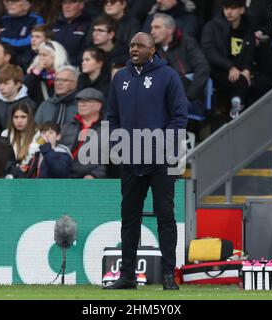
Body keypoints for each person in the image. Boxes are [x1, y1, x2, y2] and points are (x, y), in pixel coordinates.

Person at [105, 32, 188, 290]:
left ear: (152, 50)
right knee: (129, 218)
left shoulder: (168, 76)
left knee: (165, 216)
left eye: (140, 45)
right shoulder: (120, 78)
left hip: (162, 160)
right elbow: (112, 116)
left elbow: (179, 117)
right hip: (130, 160)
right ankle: (127, 276)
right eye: (131, 45)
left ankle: (167, 275)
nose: (134, 49)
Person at [201, 0, 272, 120]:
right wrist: (230, 66)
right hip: (218, 69)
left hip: (240, 68)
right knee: (241, 81)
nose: (228, 11)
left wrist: (247, 69)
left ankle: (260, 118)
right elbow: (209, 53)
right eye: (226, 8)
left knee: (263, 82)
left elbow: (250, 52)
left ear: (241, 10)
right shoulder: (212, 26)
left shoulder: (249, 27)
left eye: (233, 8)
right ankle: (234, 114)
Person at [151, 13, 209, 116]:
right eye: (152, 28)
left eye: (157, 27)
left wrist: (188, 96)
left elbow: (203, 69)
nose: (152, 32)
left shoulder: (187, 43)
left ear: (170, 30)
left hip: (191, 99)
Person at [60, 87, 107, 179]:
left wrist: (95, 174)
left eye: (87, 101)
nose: (81, 104)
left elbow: (110, 160)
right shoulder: (68, 125)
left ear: (98, 106)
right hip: (63, 174)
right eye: (79, 101)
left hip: (90, 177)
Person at [0, 64, 37, 130]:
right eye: (0, 83)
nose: (1, 87)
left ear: (17, 85)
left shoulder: (29, 104)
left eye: (6, 83)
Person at [0, 0, 44, 71]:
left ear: (26, 6)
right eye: (8, 1)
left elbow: (29, 42)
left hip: (26, 63)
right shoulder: (3, 20)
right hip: (4, 62)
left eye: (15, 1)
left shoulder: (36, 19)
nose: (10, 3)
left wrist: (5, 41)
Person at [25, 40, 69, 106]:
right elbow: (25, 91)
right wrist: (36, 72)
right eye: (39, 55)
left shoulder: (65, 73)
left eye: (44, 55)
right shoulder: (36, 74)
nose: (41, 58)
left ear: (55, 56)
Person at [1, 103, 40, 172]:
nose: (19, 121)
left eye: (23, 117)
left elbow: (35, 155)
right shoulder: (6, 134)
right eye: (16, 117)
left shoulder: (39, 135)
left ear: (30, 118)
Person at [52, 0, 92, 66]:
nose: (67, 6)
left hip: (75, 69)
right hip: (52, 68)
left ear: (81, 5)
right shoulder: (56, 24)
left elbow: (87, 50)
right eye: (64, 3)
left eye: (71, 2)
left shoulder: (89, 24)